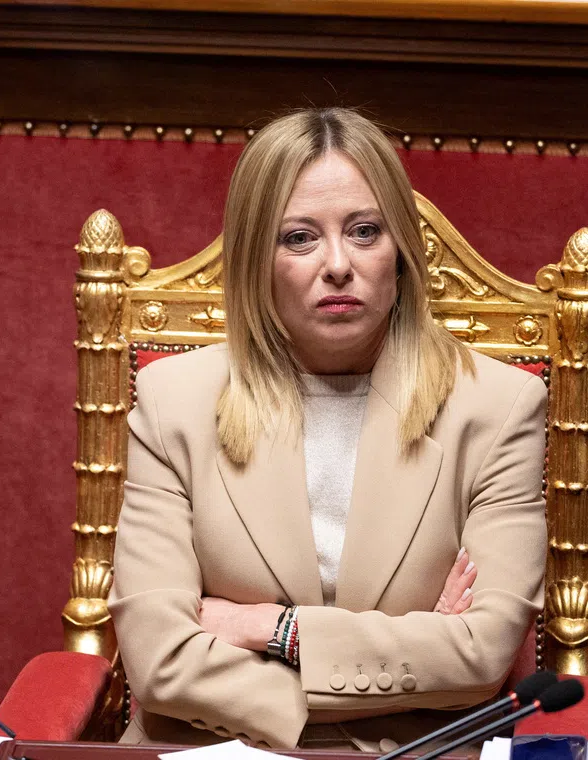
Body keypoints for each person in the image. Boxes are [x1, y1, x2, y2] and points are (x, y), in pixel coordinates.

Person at [109, 108, 546, 752]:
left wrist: (271, 630)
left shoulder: (499, 407)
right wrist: (410, 662)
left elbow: (482, 655)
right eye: (299, 238)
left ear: (400, 252)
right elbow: (160, 663)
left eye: (365, 231)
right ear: (258, 259)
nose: (338, 264)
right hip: (215, 750)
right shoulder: (174, 403)